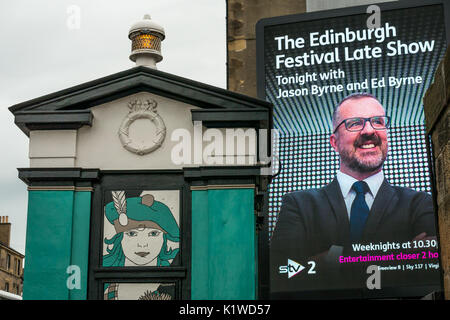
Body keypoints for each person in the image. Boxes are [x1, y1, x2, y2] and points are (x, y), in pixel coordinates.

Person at [270, 93, 439, 294]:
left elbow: (431, 266)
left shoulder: (420, 204)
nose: (369, 131)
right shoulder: (298, 204)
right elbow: (283, 274)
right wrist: (400, 253)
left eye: (378, 121)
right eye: (355, 123)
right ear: (334, 142)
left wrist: (330, 258)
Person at [103, 192, 179, 299]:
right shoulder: (106, 274)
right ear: (119, 238)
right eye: (131, 233)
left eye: (153, 233)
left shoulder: (170, 280)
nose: (142, 244)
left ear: (164, 238)